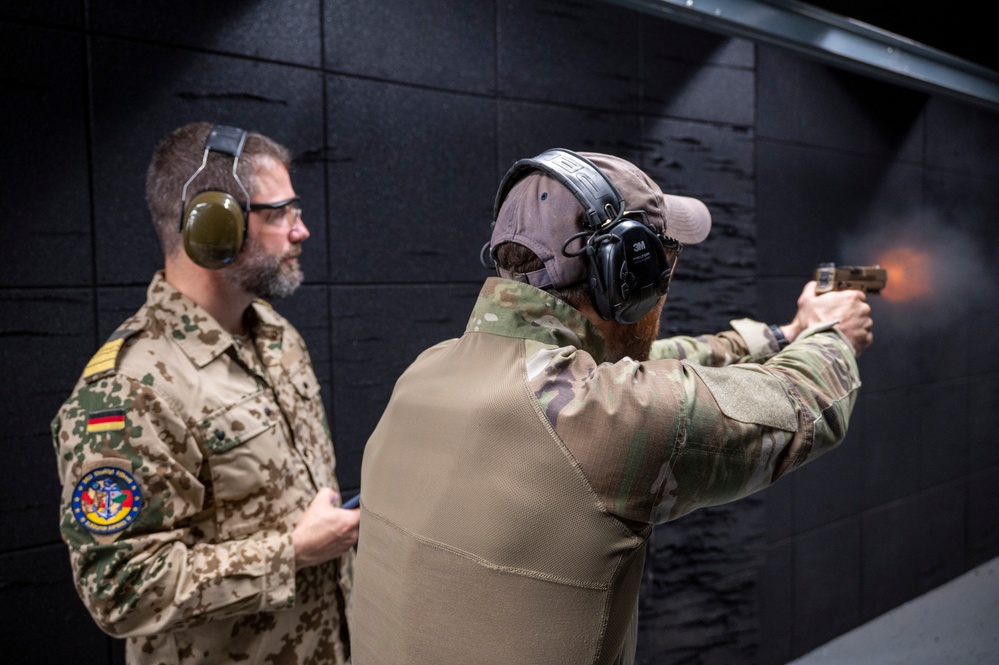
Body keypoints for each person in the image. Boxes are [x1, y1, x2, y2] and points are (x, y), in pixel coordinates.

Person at [350, 149, 873, 664]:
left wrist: (784, 333)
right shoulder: (602, 416)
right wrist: (833, 333)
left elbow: (636, 371)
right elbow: (804, 403)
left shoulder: (426, 371)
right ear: (630, 273)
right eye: (665, 259)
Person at [51, 122, 359, 664]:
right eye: (280, 213)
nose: (301, 230)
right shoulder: (128, 391)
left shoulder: (276, 335)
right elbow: (120, 591)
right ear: (214, 227)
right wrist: (291, 553)